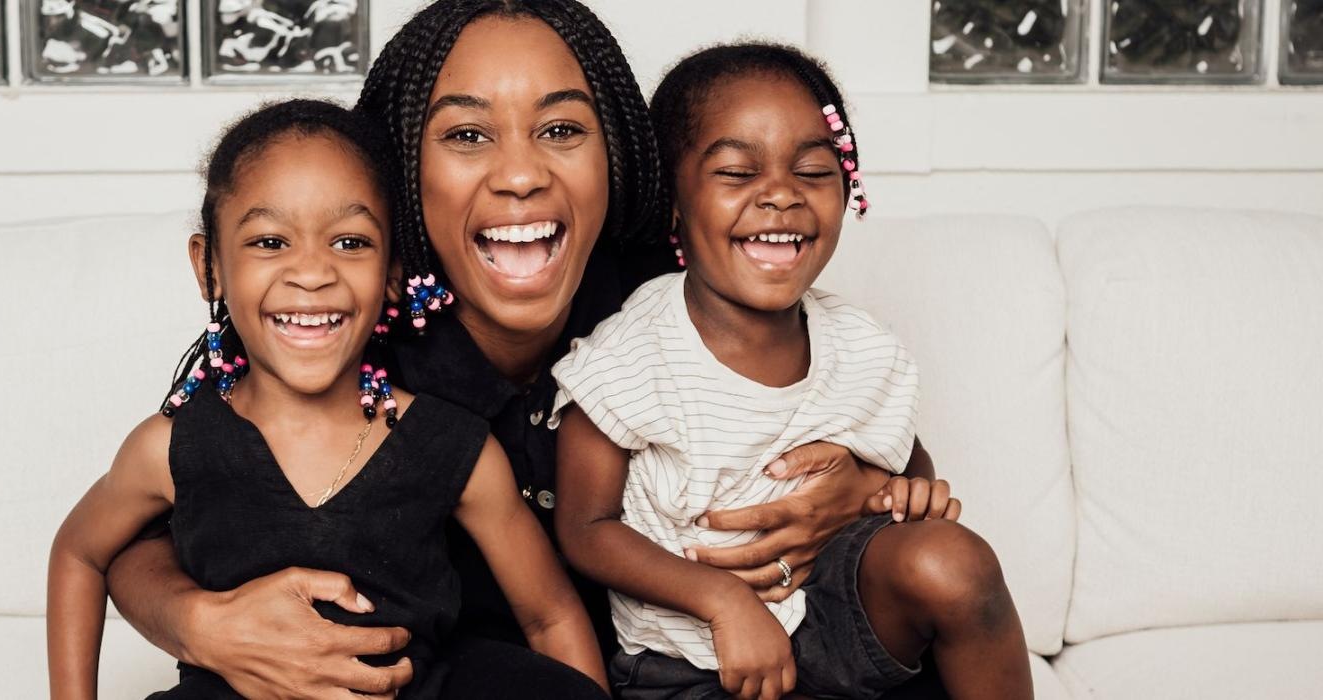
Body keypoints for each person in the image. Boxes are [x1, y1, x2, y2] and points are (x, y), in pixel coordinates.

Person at [108, 2, 958, 697]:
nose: (521, 175)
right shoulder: (338, 337)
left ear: (618, 156)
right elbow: (140, 527)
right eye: (467, 136)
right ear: (399, 176)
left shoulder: (683, 305)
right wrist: (197, 622)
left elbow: (856, 398)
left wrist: (865, 485)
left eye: (560, 130)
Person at [46, 99, 607, 699]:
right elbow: (79, 553)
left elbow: (550, 617)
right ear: (209, 266)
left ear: (392, 272)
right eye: (268, 242)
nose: (311, 272)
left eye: (349, 242)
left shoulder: (451, 445)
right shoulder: (170, 446)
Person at [551, 43, 1033, 700]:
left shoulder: (860, 345)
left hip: (836, 628)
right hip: (690, 664)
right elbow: (585, 528)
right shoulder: (632, 354)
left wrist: (909, 493)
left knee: (956, 560)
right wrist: (723, 601)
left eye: (812, 171)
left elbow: (902, 458)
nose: (780, 194)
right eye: (736, 173)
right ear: (673, 201)